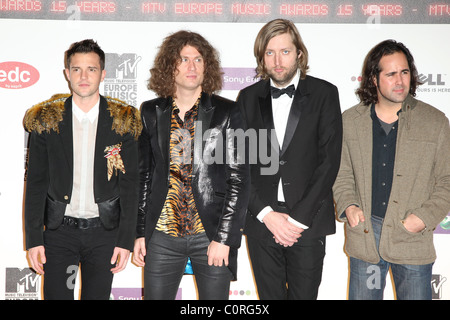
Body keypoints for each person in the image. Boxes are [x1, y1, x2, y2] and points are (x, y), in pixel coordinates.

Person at [132, 30, 250, 300]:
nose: (191, 66)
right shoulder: (151, 111)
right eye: (183, 59)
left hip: (209, 234)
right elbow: (144, 177)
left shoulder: (227, 112)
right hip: (162, 235)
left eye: (198, 59)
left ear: (206, 65)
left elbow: (239, 180)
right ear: (169, 66)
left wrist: (225, 239)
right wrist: (140, 233)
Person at [23, 39, 141, 300]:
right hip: (59, 233)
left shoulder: (123, 120)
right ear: (67, 73)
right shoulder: (47, 119)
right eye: (77, 69)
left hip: (104, 234)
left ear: (103, 74)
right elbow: (35, 184)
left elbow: (131, 185)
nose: (84, 76)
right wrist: (33, 239)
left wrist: (125, 239)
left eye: (92, 69)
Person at [333, 39, 450, 300]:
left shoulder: (435, 122)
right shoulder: (350, 122)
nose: (400, 80)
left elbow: (447, 181)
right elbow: (341, 173)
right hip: (365, 235)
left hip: (412, 238)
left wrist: (422, 218)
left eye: (405, 72)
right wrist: (349, 207)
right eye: (391, 74)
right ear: (374, 79)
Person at [236, 19, 342, 300]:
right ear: (261, 58)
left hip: (307, 224)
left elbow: (329, 163)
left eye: (284, 51)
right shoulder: (247, 98)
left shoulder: (324, 94)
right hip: (262, 223)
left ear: (299, 53)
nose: (277, 60)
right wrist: (266, 215)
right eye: (269, 53)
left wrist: (297, 221)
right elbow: (239, 164)